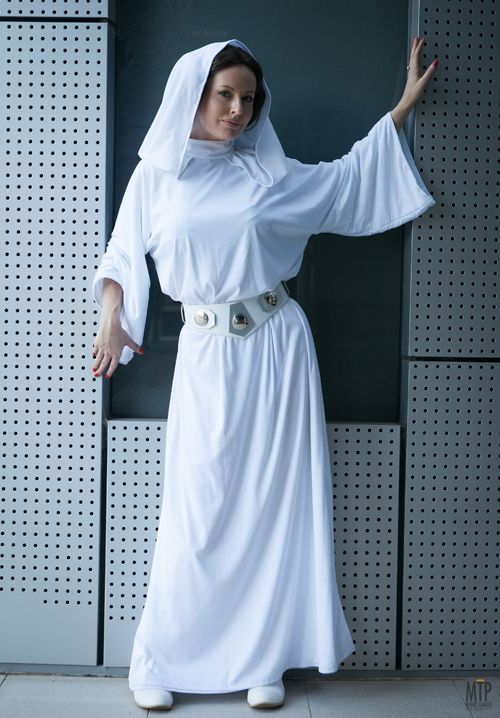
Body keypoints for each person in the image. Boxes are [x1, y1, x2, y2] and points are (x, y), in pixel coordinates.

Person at [92, 38, 437, 711]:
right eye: (225, 94)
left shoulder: (268, 177)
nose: (238, 110)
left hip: (279, 348)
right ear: (194, 93)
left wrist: (400, 109)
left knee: (274, 507)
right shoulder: (157, 175)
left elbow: (347, 180)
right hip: (206, 354)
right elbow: (122, 255)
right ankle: (162, 658)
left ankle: (263, 660)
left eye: (249, 98)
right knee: (198, 508)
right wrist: (111, 314)